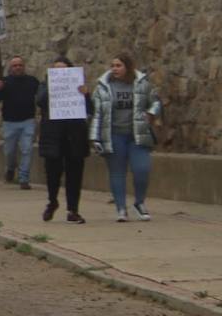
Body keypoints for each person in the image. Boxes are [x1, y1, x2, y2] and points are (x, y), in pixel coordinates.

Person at [90, 53, 162, 223]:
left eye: (118, 65)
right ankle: (121, 208)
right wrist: (94, 138)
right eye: (113, 65)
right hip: (114, 135)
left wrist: (151, 113)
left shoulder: (142, 84)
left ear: (127, 67)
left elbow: (156, 102)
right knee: (117, 173)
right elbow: (97, 114)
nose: (114, 69)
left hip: (137, 135)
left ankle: (139, 202)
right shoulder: (102, 88)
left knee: (142, 170)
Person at [37, 58, 90, 224]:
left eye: (64, 70)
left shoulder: (78, 85)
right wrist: (52, 87)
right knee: (53, 174)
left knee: (74, 175)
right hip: (53, 137)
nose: (60, 73)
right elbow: (40, 101)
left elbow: (89, 109)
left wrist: (86, 95)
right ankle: (52, 201)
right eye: (56, 70)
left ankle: (73, 209)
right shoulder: (44, 85)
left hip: (74, 137)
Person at [0, 55, 41, 188]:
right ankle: (11, 168)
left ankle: (24, 178)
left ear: (23, 67)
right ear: (11, 68)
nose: (18, 67)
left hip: (28, 121)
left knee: (27, 150)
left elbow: (41, 96)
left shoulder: (32, 81)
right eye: (15, 65)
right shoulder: (5, 82)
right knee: (9, 151)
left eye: (20, 65)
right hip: (10, 122)